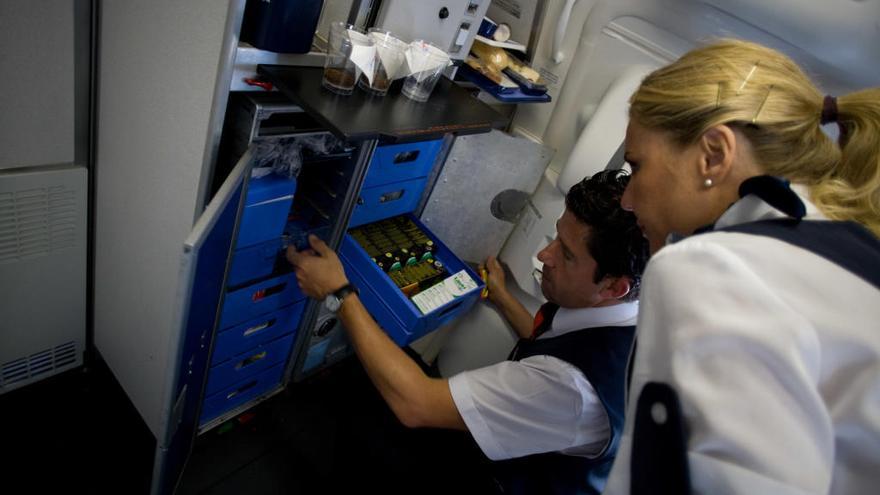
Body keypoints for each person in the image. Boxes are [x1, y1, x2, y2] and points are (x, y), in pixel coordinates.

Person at [603, 39, 880, 494]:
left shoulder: (716, 267)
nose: (628, 200)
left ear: (714, 153)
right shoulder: (849, 253)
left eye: (637, 165)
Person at [286, 169, 649, 494]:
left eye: (566, 255)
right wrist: (504, 297)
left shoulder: (570, 389)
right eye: (555, 237)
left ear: (613, 286)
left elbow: (416, 405)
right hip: (526, 453)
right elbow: (551, 346)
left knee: (368, 407)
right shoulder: (624, 314)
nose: (544, 256)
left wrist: (340, 292)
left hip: (504, 482)